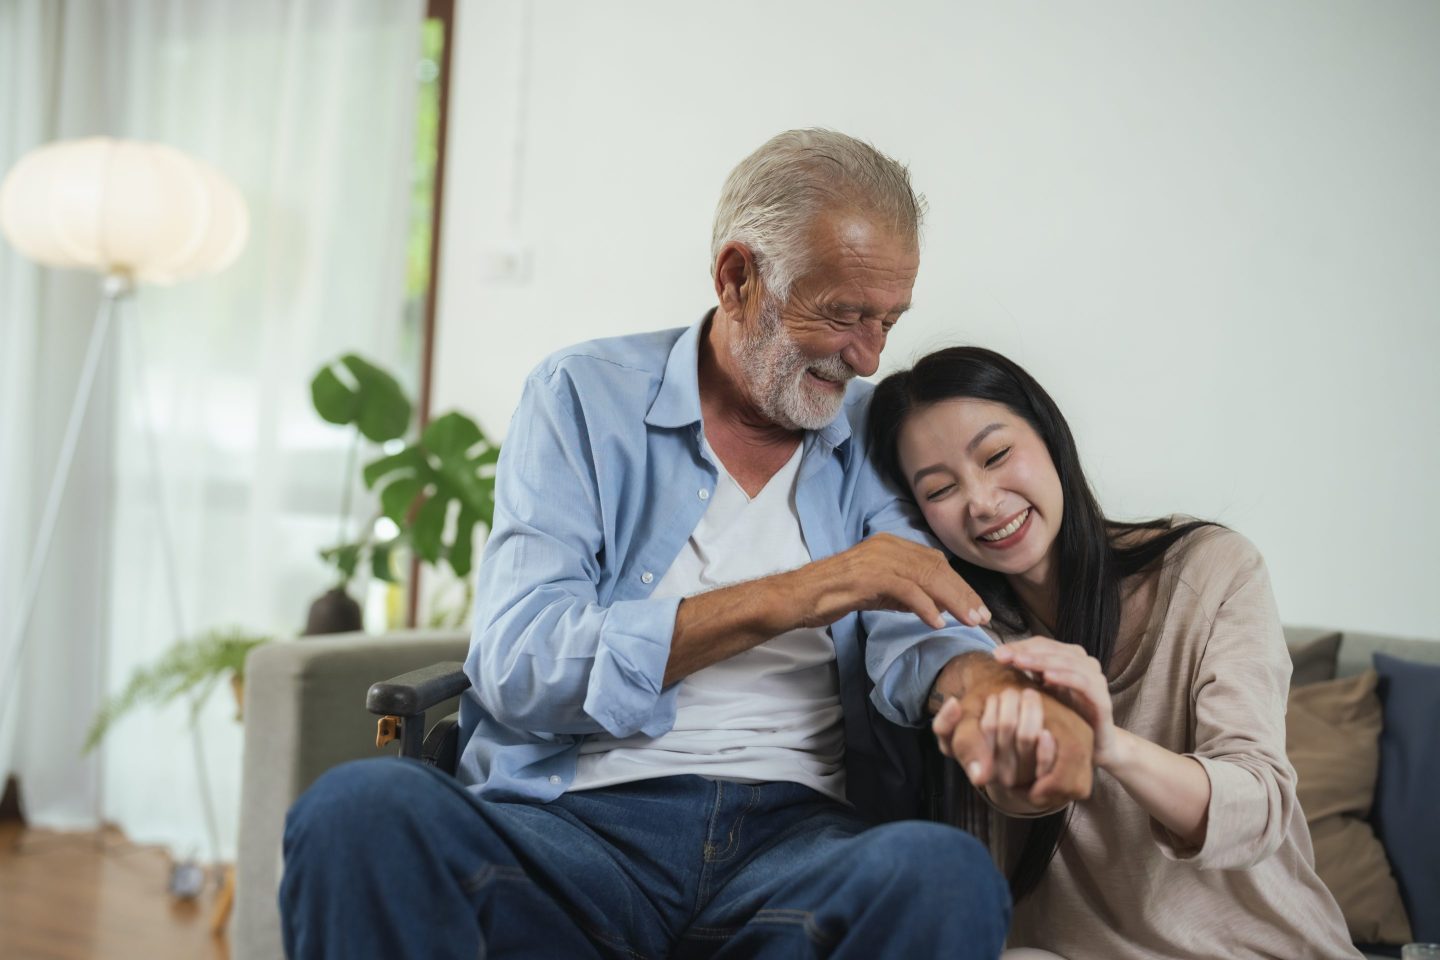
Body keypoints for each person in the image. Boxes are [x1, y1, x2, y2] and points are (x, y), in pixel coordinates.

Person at [278, 130, 1097, 959]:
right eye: (844, 314)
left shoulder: (870, 430)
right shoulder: (581, 399)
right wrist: (804, 590)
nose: (868, 354)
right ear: (737, 277)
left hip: (790, 851)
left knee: (942, 874)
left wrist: (989, 688)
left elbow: (918, 618)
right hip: (569, 834)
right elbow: (520, 663)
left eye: (888, 319)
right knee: (357, 811)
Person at [867, 345, 1360, 959]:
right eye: (941, 490)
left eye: (996, 456)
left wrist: (1109, 746)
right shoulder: (964, 647)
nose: (983, 502)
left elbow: (1258, 808)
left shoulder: (1207, 571)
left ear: (1050, 438)